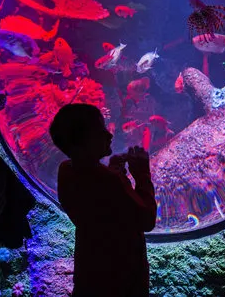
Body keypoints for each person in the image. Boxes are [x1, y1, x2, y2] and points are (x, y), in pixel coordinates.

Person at [50, 104, 157, 297]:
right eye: (100, 132)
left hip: (89, 275)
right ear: (80, 143)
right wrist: (142, 175)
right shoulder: (109, 181)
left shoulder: (66, 170)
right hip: (122, 281)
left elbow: (100, 203)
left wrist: (113, 171)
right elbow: (147, 219)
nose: (109, 135)